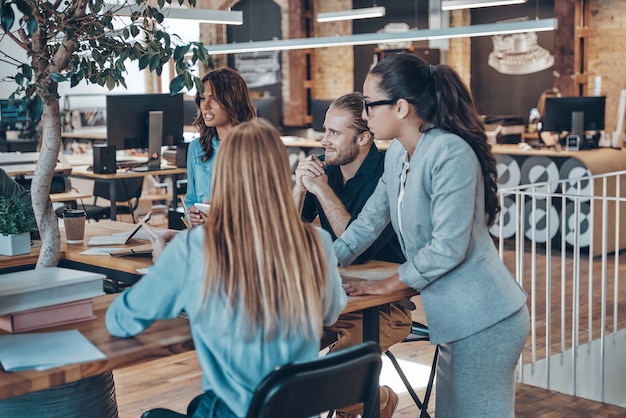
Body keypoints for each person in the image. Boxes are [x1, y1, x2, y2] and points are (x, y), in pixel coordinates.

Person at [106, 119, 347, 418]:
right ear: (279, 171)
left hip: (234, 411)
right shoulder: (316, 242)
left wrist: (162, 263)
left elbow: (121, 321)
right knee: (198, 406)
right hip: (295, 411)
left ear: (222, 173)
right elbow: (331, 313)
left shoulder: (194, 248)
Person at [336, 54, 530, 418]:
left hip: (486, 318)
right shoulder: (396, 155)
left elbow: (448, 248)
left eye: (369, 104)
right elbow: (367, 223)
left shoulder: (450, 152)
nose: (364, 114)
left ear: (401, 107)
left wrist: (389, 284)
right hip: (455, 318)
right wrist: (323, 262)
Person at [293, 92, 410, 418]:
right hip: (331, 297)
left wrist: (322, 190)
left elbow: (357, 248)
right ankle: (370, 398)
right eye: (325, 130)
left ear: (363, 137)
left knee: (324, 380)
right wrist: (300, 188)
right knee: (270, 355)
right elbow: (288, 234)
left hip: (383, 307)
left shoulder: (387, 174)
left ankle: (378, 402)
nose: (323, 140)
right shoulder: (325, 170)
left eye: (334, 133)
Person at [185, 67, 256, 226]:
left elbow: (266, 204)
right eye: (203, 98)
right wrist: (192, 214)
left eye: (214, 98)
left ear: (233, 100)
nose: (206, 106)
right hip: (204, 237)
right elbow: (190, 199)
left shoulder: (255, 148)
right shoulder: (196, 147)